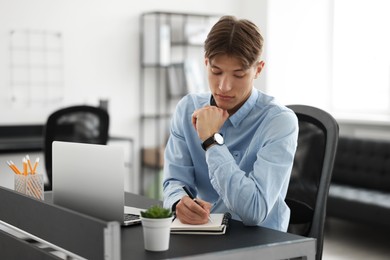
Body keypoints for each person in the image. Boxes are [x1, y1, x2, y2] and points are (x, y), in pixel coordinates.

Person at [162, 15, 299, 232]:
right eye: (216, 72)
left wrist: (211, 141)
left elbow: (254, 211)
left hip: (258, 241)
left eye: (239, 74)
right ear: (206, 63)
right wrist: (179, 202)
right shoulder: (187, 108)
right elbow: (174, 181)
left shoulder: (280, 121)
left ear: (258, 69)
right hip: (201, 234)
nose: (224, 87)